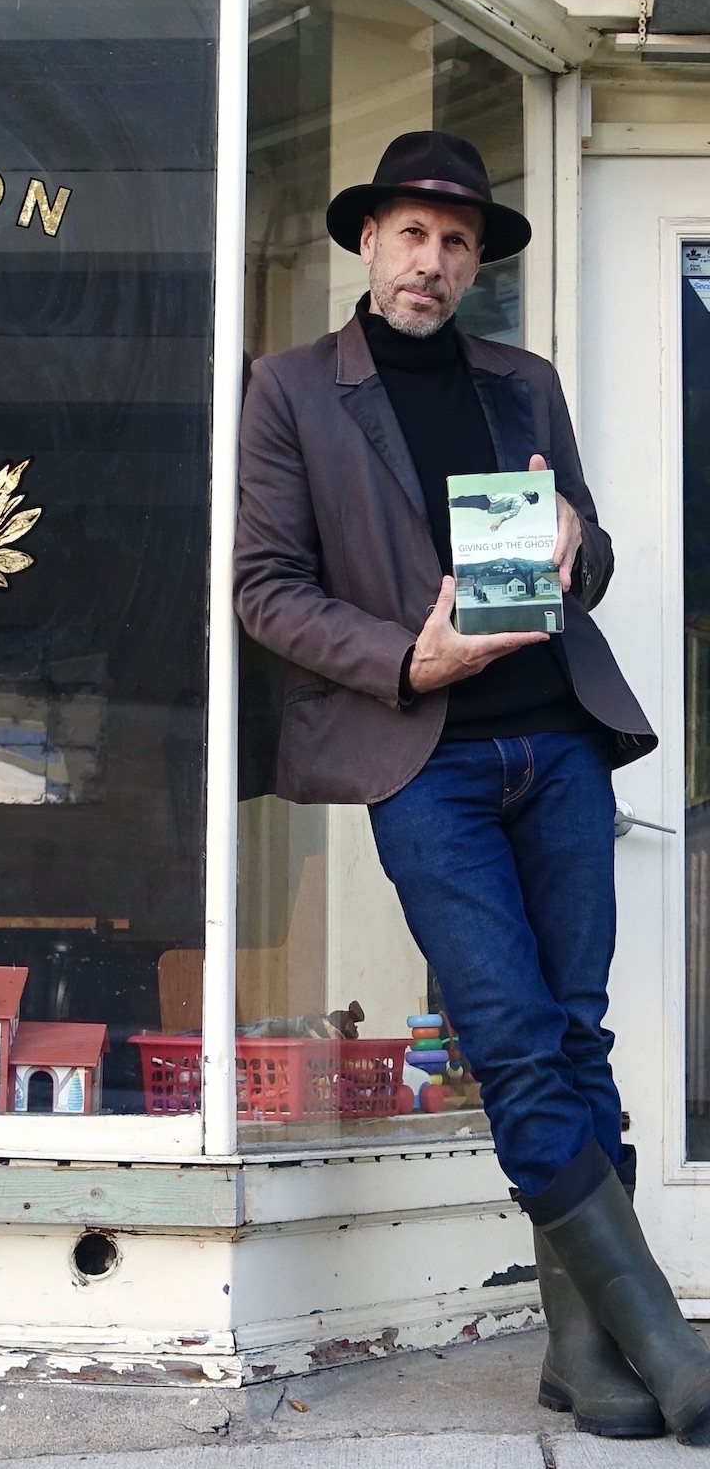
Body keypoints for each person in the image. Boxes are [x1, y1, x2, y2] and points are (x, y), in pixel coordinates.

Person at [234, 130, 710, 1445]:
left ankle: (582, 1348)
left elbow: (589, 554)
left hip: (555, 734)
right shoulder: (289, 390)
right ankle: (665, 1331)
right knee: (506, 1031)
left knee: (576, 1030)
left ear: (474, 261)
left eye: (456, 241)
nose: (433, 260)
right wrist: (406, 654)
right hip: (421, 754)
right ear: (369, 242)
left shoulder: (523, 382)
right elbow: (263, 589)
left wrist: (579, 541)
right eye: (412, 234)